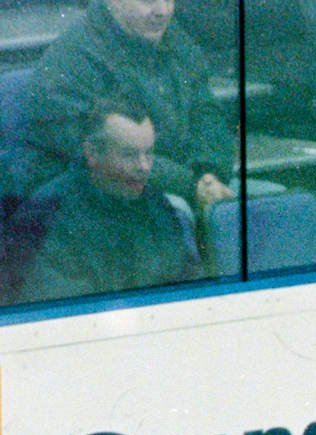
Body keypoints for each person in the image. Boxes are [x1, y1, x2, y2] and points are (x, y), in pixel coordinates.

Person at [25, 0, 235, 214]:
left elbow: (207, 115)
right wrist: (190, 185)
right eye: (148, 0)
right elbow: (105, 158)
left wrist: (209, 173)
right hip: (102, 202)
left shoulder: (174, 39)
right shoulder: (71, 60)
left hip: (189, 183)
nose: (162, 11)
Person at [13, 99, 201, 304]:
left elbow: (188, 284)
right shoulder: (45, 216)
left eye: (149, 153)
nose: (144, 167)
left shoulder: (156, 204)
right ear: (92, 153)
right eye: (129, 155)